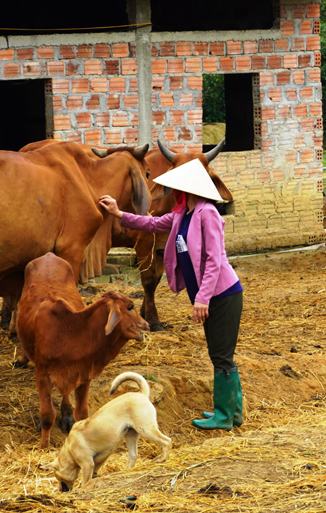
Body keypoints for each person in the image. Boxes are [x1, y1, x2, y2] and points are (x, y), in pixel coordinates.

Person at [98, 158, 243, 431]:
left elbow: (214, 260)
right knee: (219, 353)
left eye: (178, 186)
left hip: (223, 294)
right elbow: (151, 224)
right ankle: (233, 412)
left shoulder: (207, 213)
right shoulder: (182, 213)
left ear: (189, 188)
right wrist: (119, 213)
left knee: (221, 355)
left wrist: (202, 298)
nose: (173, 191)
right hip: (211, 294)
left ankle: (224, 416)